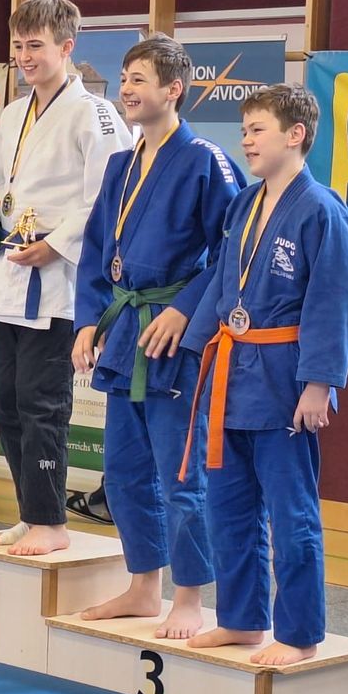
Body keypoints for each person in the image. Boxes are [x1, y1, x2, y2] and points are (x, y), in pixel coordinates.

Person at [182, 83, 348, 665]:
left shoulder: (321, 210)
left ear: (295, 135)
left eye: (258, 129)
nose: (247, 140)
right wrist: (193, 348)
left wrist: (319, 383)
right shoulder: (244, 204)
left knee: (291, 513)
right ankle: (240, 619)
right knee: (229, 506)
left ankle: (301, 633)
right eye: (245, 130)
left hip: (285, 378)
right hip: (232, 373)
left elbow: (335, 300)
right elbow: (221, 285)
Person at [72, 33, 243, 637]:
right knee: (122, 470)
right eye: (124, 78)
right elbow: (97, 251)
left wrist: (189, 310)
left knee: (180, 471)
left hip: (173, 337)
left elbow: (232, 251)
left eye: (139, 79)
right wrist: (88, 319)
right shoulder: (121, 164)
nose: (126, 89)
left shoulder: (206, 161)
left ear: (175, 89)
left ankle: (190, 596)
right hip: (125, 330)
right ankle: (144, 586)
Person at [0, 0, 131, 556]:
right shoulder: (12, 114)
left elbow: (110, 198)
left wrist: (56, 245)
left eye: (35, 45)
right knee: (6, 404)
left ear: (67, 47)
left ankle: (52, 522)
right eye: (17, 46)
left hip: (58, 282)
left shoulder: (96, 115)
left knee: (42, 402)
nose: (24, 56)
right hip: (11, 275)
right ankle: (30, 510)